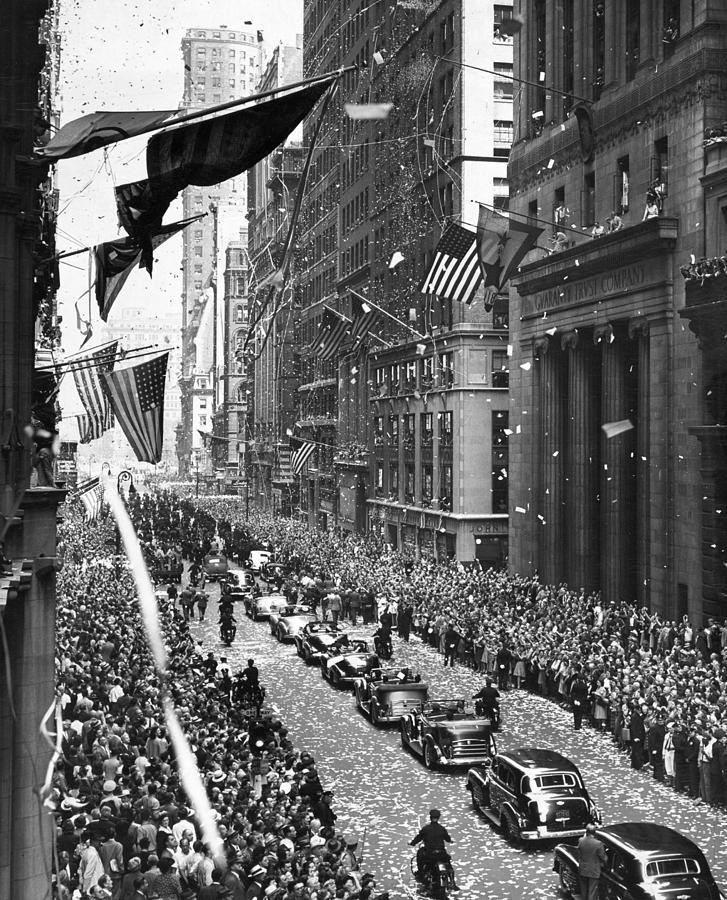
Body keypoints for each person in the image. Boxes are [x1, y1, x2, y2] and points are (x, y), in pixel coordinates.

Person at [409, 809, 457, 891]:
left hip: (430, 855)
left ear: (430, 817)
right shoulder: (442, 829)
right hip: (441, 854)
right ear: (438, 818)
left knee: (420, 855)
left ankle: (421, 874)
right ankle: (452, 881)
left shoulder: (426, 829)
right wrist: (450, 841)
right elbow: (447, 838)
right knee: (448, 863)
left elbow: (418, 838)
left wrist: (412, 843)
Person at [577, 824, 607, 900]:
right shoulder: (598, 844)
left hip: (583, 869)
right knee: (592, 893)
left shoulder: (581, 840)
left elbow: (579, 852)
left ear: (586, 832)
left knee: (584, 892)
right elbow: (603, 858)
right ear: (594, 833)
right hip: (593, 871)